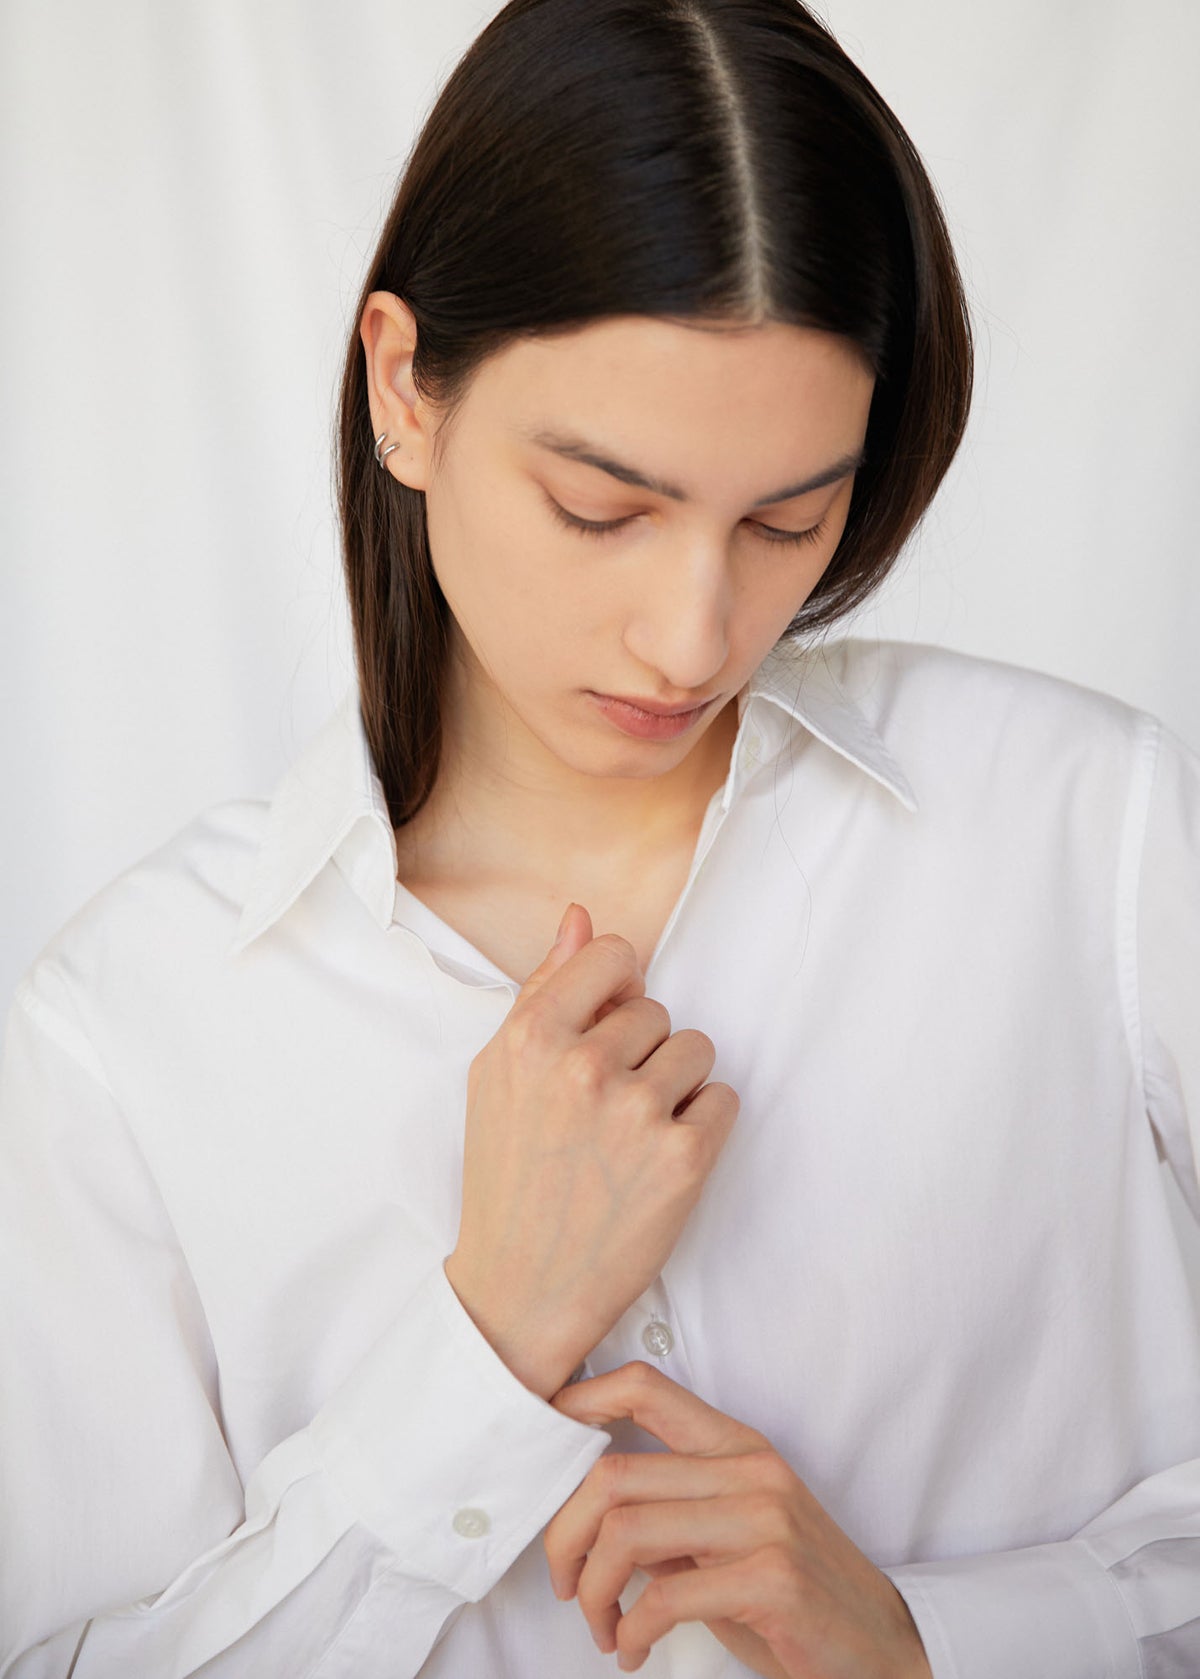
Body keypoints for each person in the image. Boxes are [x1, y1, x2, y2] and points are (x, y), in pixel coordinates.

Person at [1, 0, 1197, 1673]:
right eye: (602, 509)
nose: (694, 638)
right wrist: (483, 1351)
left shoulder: (1096, 834)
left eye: (791, 519)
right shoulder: (128, 1040)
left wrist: (933, 1643)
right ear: (404, 390)